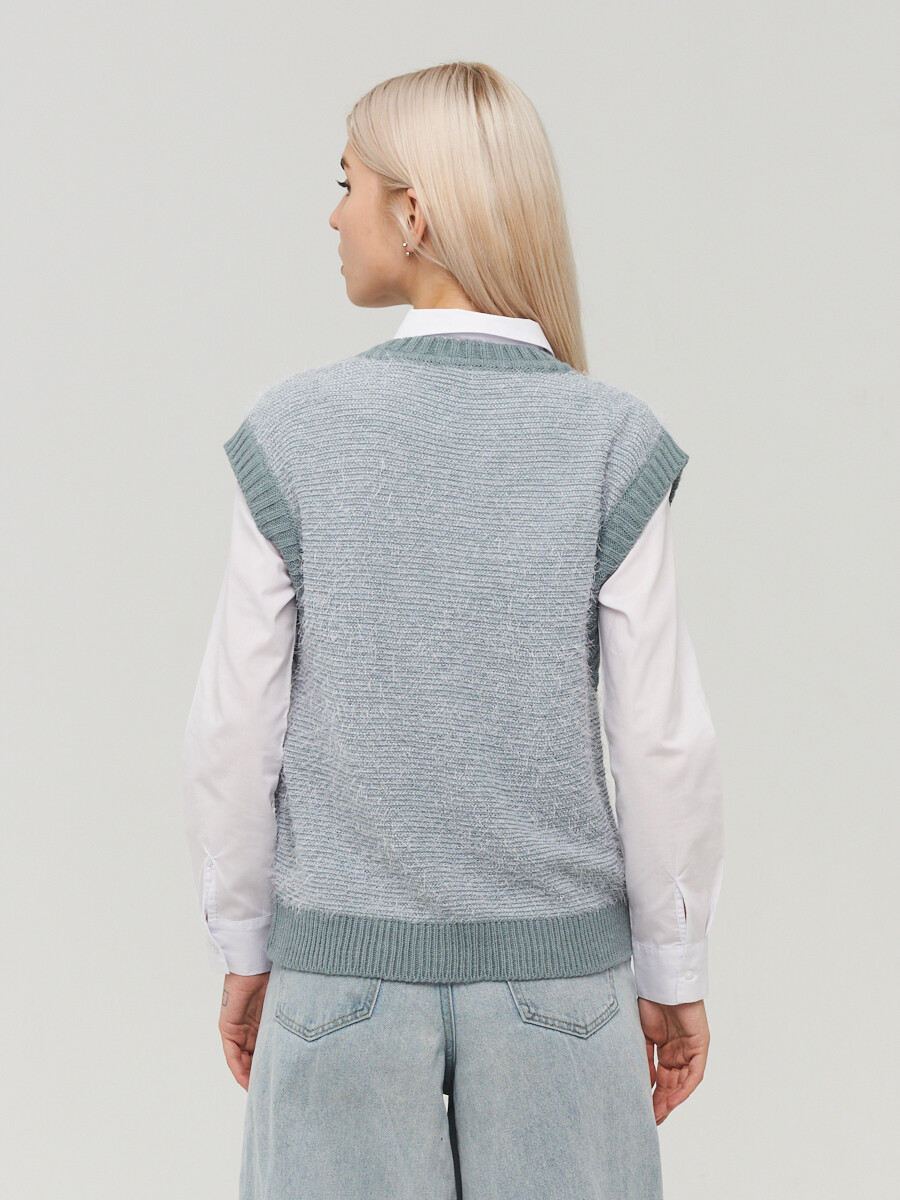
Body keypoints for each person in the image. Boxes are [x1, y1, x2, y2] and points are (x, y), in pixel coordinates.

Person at [182, 60, 725, 1200]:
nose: (335, 215)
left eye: (348, 184)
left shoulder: (293, 432)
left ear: (414, 214)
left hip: (336, 983)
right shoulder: (611, 440)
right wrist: (674, 968)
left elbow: (233, 734)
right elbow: (662, 743)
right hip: (563, 994)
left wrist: (244, 944)